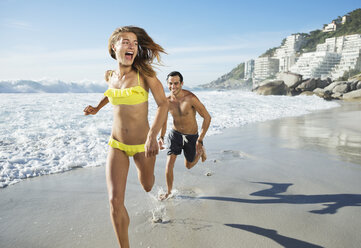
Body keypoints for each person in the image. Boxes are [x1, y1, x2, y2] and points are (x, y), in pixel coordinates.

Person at [83, 26, 168, 248]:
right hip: (116, 145)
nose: (131, 46)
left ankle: (150, 183)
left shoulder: (145, 74)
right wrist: (97, 108)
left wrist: (152, 136)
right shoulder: (109, 75)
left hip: (144, 145)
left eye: (134, 43)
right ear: (114, 47)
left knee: (147, 186)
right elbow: (110, 93)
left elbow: (163, 104)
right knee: (114, 201)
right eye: (125, 42)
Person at [158, 71, 211, 200]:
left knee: (188, 166)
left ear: (181, 83)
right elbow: (163, 121)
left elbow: (207, 117)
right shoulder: (166, 101)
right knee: (169, 163)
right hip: (175, 134)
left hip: (192, 136)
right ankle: (169, 192)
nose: (173, 86)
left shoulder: (190, 98)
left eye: (176, 83)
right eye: (170, 83)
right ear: (167, 84)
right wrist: (161, 137)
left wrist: (200, 139)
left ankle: (200, 152)